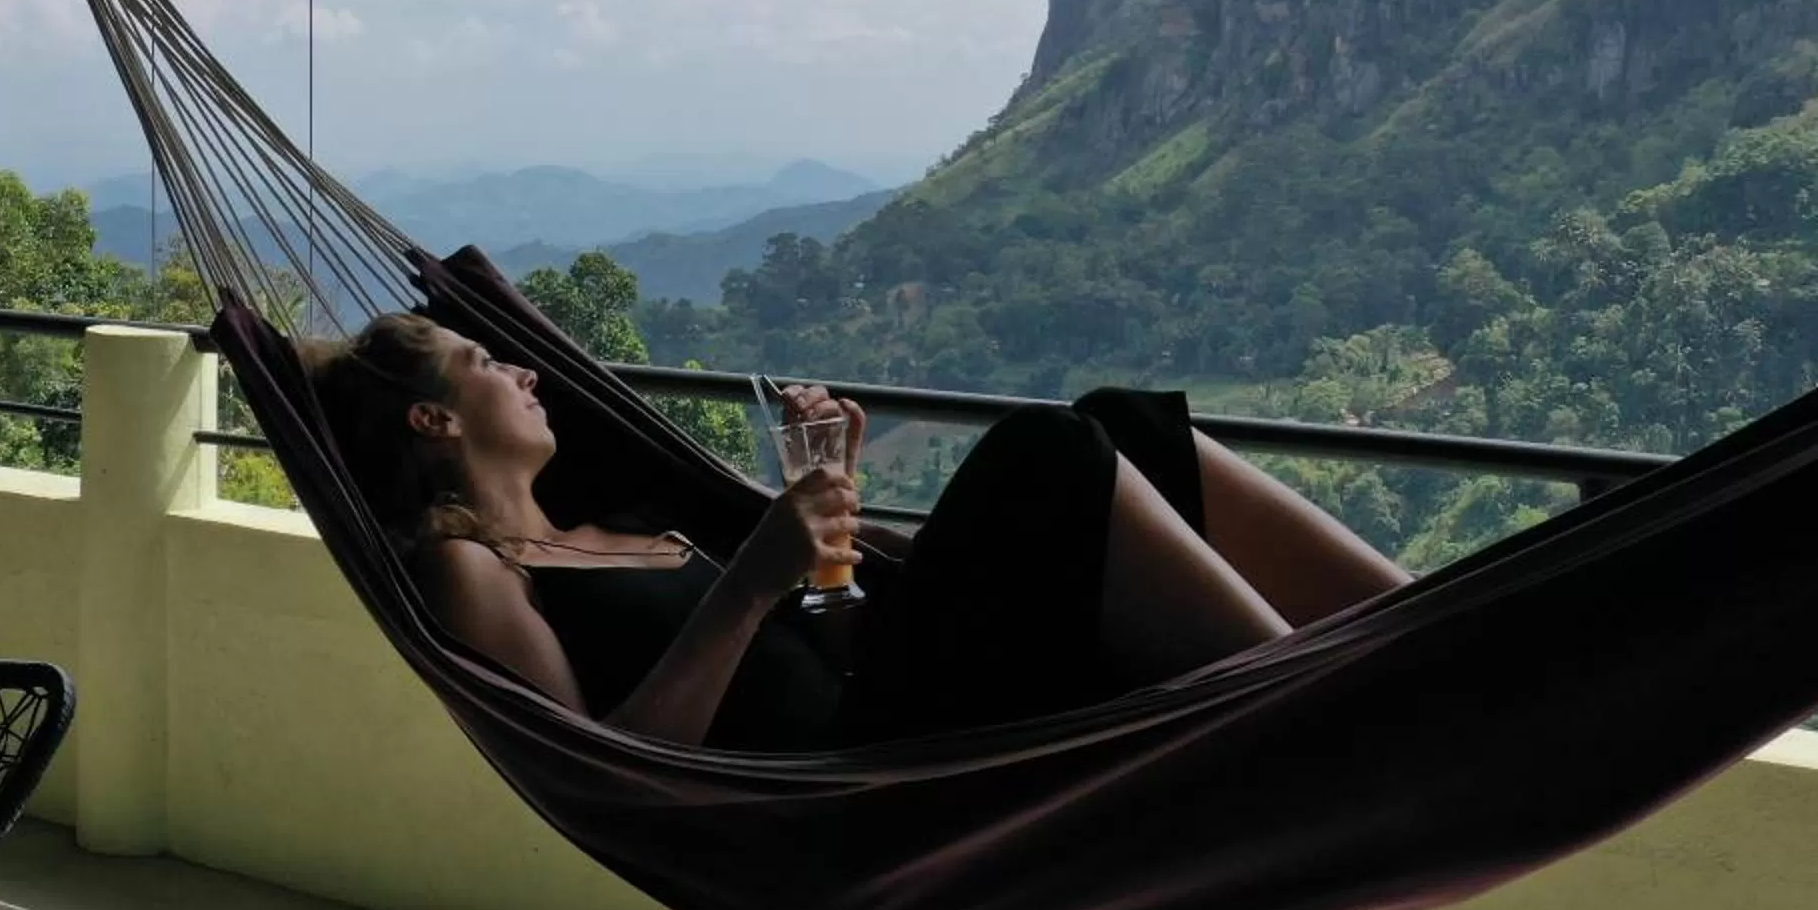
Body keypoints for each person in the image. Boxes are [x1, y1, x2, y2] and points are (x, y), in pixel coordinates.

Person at [304, 312, 1411, 750]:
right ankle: (1333, 709)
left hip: (897, 668)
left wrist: (828, 510)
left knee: (1115, 422)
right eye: (487, 361)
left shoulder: (615, 518)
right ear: (434, 418)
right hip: (868, 755)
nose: (525, 366)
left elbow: (829, 607)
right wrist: (749, 579)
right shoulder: (474, 567)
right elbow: (616, 762)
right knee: (1047, 449)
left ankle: (1416, 634)